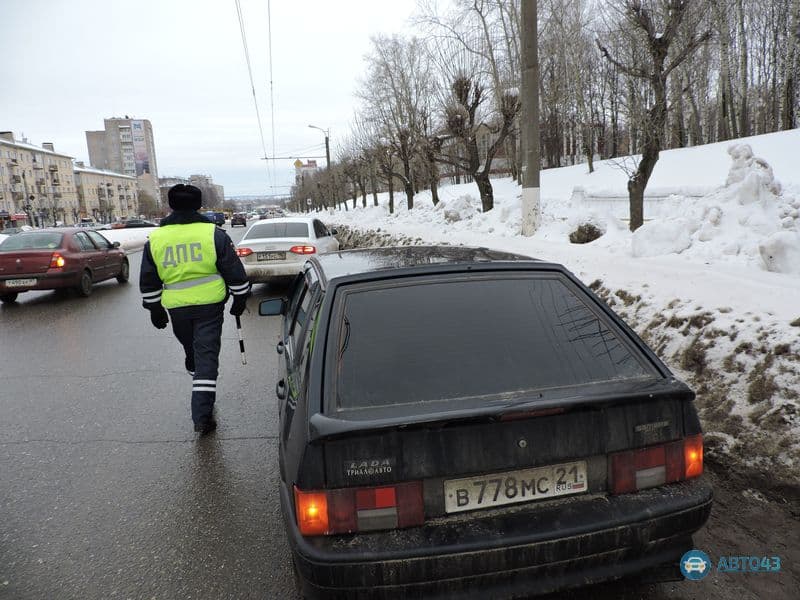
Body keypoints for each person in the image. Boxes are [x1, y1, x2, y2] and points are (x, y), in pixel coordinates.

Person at [139, 184, 250, 435]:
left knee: (197, 356)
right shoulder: (214, 234)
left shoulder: (156, 238)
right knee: (205, 360)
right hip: (210, 305)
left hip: (177, 309)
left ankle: (201, 411)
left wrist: (154, 309)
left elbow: (149, 278)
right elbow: (233, 270)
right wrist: (240, 299)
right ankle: (202, 416)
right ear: (199, 205)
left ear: (170, 205)